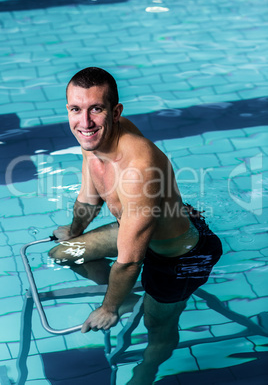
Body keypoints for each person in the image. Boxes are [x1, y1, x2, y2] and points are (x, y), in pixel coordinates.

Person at [49, 67, 222, 384]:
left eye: (96, 109)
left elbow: (129, 262)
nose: (84, 122)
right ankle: (129, 299)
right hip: (140, 227)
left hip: (180, 257)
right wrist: (74, 232)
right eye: (76, 109)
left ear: (115, 112)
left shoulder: (137, 169)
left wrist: (108, 309)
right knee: (65, 253)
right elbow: (90, 200)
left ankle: (143, 375)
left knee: (157, 329)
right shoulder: (95, 141)